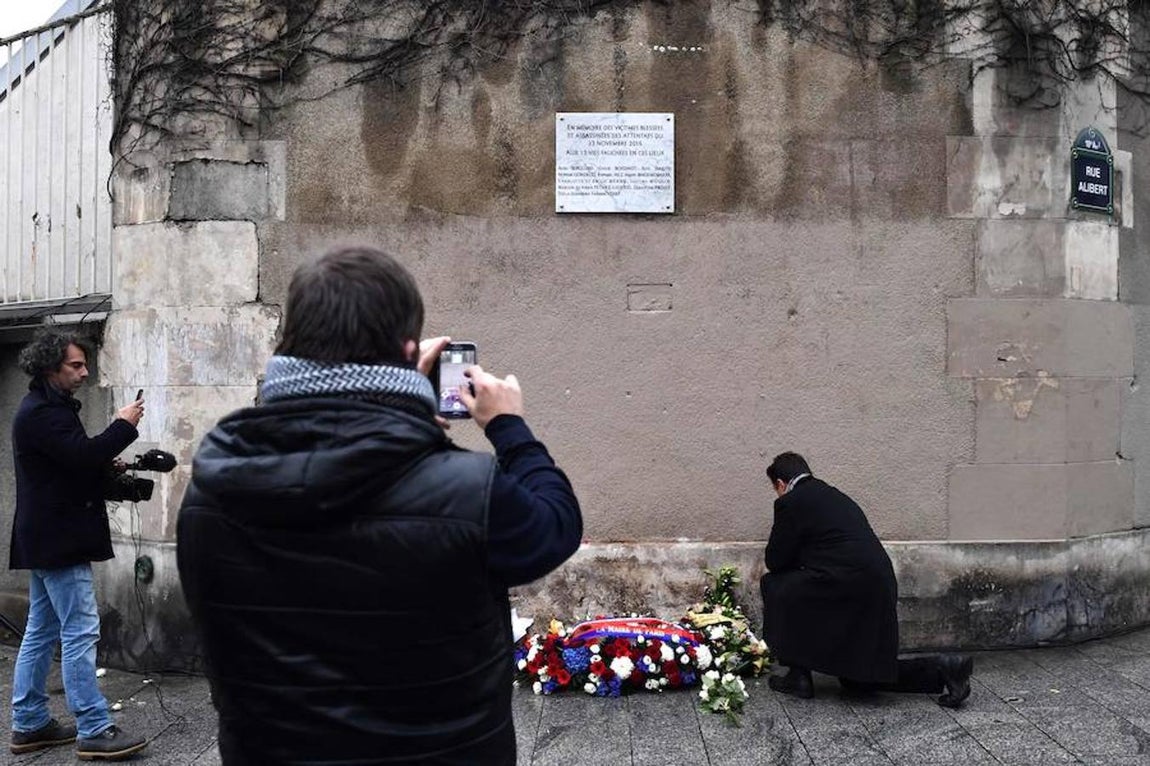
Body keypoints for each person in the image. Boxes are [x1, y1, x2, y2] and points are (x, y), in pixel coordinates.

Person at [177, 246, 583, 765]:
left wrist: (401, 420)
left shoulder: (212, 488)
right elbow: (555, 525)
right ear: (407, 348)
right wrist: (507, 425)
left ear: (292, 343)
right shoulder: (463, 488)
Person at [8, 331, 149, 759]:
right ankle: (93, 727)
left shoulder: (48, 409)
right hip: (58, 538)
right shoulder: (41, 414)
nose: (84, 372)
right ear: (51, 366)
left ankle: (30, 723)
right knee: (80, 630)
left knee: (42, 629)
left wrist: (108, 462)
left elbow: (72, 461)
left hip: (48, 534)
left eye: (85, 364)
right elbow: (82, 457)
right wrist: (124, 424)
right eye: (76, 365)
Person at [759, 451, 973, 707]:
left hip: (848, 586)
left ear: (781, 484)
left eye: (776, 489)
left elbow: (776, 559)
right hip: (876, 584)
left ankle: (798, 676)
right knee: (858, 680)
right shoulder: (833, 495)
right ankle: (944, 669)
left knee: (776, 585)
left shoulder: (791, 501)